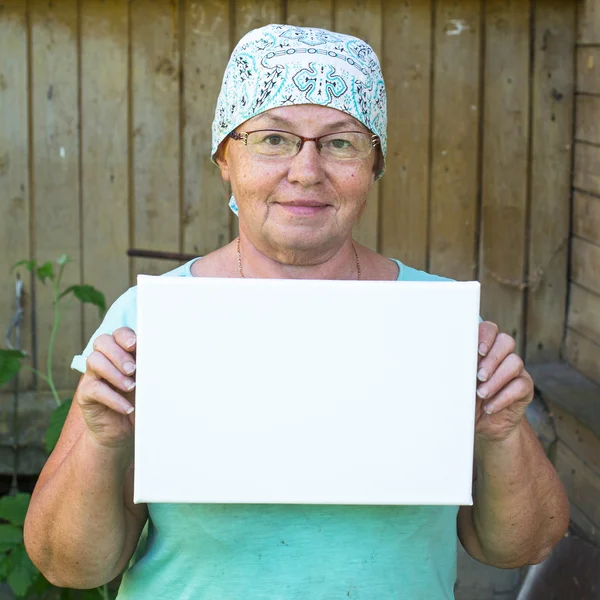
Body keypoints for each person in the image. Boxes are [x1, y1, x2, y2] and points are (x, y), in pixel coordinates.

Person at [24, 24, 569, 599]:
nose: (306, 171)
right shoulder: (151, 321)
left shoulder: (434, 322)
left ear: (374, 166)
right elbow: (71, 566)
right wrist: (102, 440)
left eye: (340, 142)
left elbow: (521, 547)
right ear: (225, 157)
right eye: (274, 138)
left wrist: (503, 432)